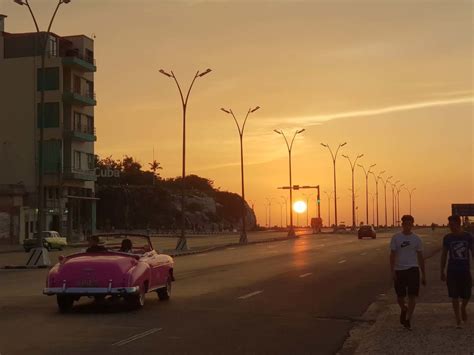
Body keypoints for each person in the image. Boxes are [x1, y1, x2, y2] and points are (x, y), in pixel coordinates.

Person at [390, 214, 426, 330]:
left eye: (409, 224)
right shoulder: (396, 238)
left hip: (413, 269)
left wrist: (423, 274)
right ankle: (404, 309)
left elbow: (420, 256)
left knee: (412, 296)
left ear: (412, 224)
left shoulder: (417, 239)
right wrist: (392, 271)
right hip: (399, 270)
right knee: (400, 297)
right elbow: (392, 255)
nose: (407, 226)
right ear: (402, 224)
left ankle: (408, 319)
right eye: (405, 224)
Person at [440, 214, 473, 328]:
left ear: (458, 224)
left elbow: (473, 253)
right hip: (452, 271)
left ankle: (463, 307)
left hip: (464, 270)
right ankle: (458, 319)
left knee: (467, 294)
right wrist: (442, 270)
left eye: (452, 224)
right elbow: (444, 255)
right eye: (449, 224)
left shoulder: (468, 237)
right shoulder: (447, 238)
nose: (450, 226)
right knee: (454, 295)